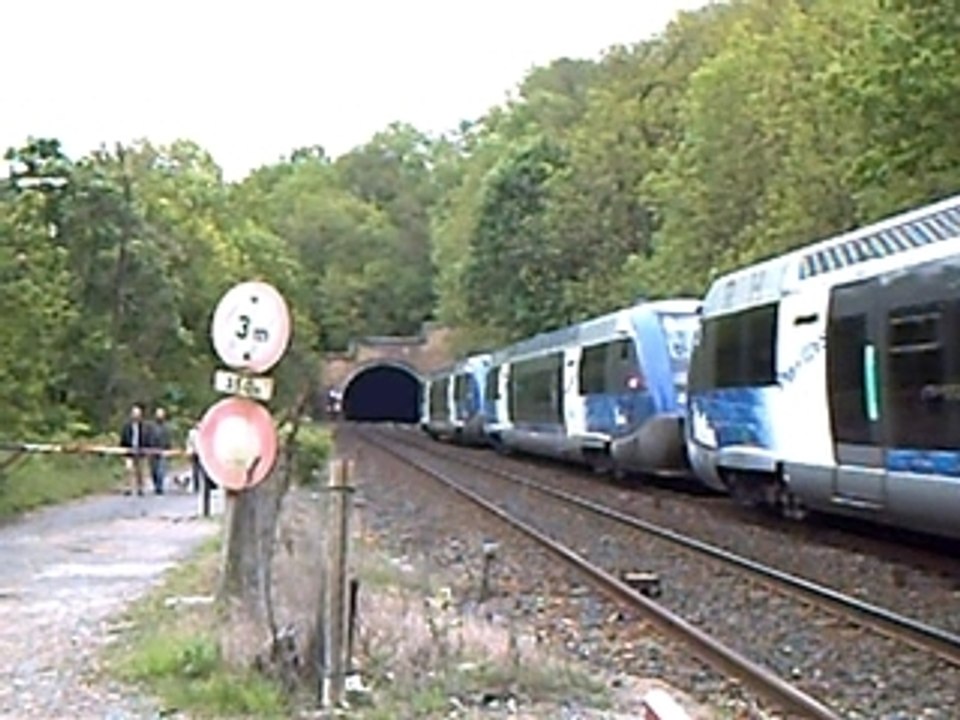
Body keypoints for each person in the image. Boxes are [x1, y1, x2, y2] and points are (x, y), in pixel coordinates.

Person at [119, 404, 146, 496]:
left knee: (140, 471)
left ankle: (140, 488)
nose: (136, 416)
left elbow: (146, 438)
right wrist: (123, 450)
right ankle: (128, 488)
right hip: (129, 452)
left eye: (137, 414)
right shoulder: (126, 426)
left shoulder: (143, 426)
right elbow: (123, 439)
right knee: (128, 469)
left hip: (140, 451)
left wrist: (145, 449)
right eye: (134, 413)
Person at [147, 406, 172, 495]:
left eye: (161, 415)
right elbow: (147, 437)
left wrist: (168, 449)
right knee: (153, 470)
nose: (160, 416)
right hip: (152, 450)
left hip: (162, 450)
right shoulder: (150, 426)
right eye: (158, 414)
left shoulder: (166, 427)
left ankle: (159, 487)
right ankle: (155, 484)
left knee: (161, 470)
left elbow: (168, 439)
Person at [186, 417, 205, 494]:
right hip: (194, 453)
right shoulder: (192, 432)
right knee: (195, 470)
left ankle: (203, 485)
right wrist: (189, 451)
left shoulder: (204, 432)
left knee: (203, 470)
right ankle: (196, 485)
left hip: (202, 453)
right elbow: (189, 442)